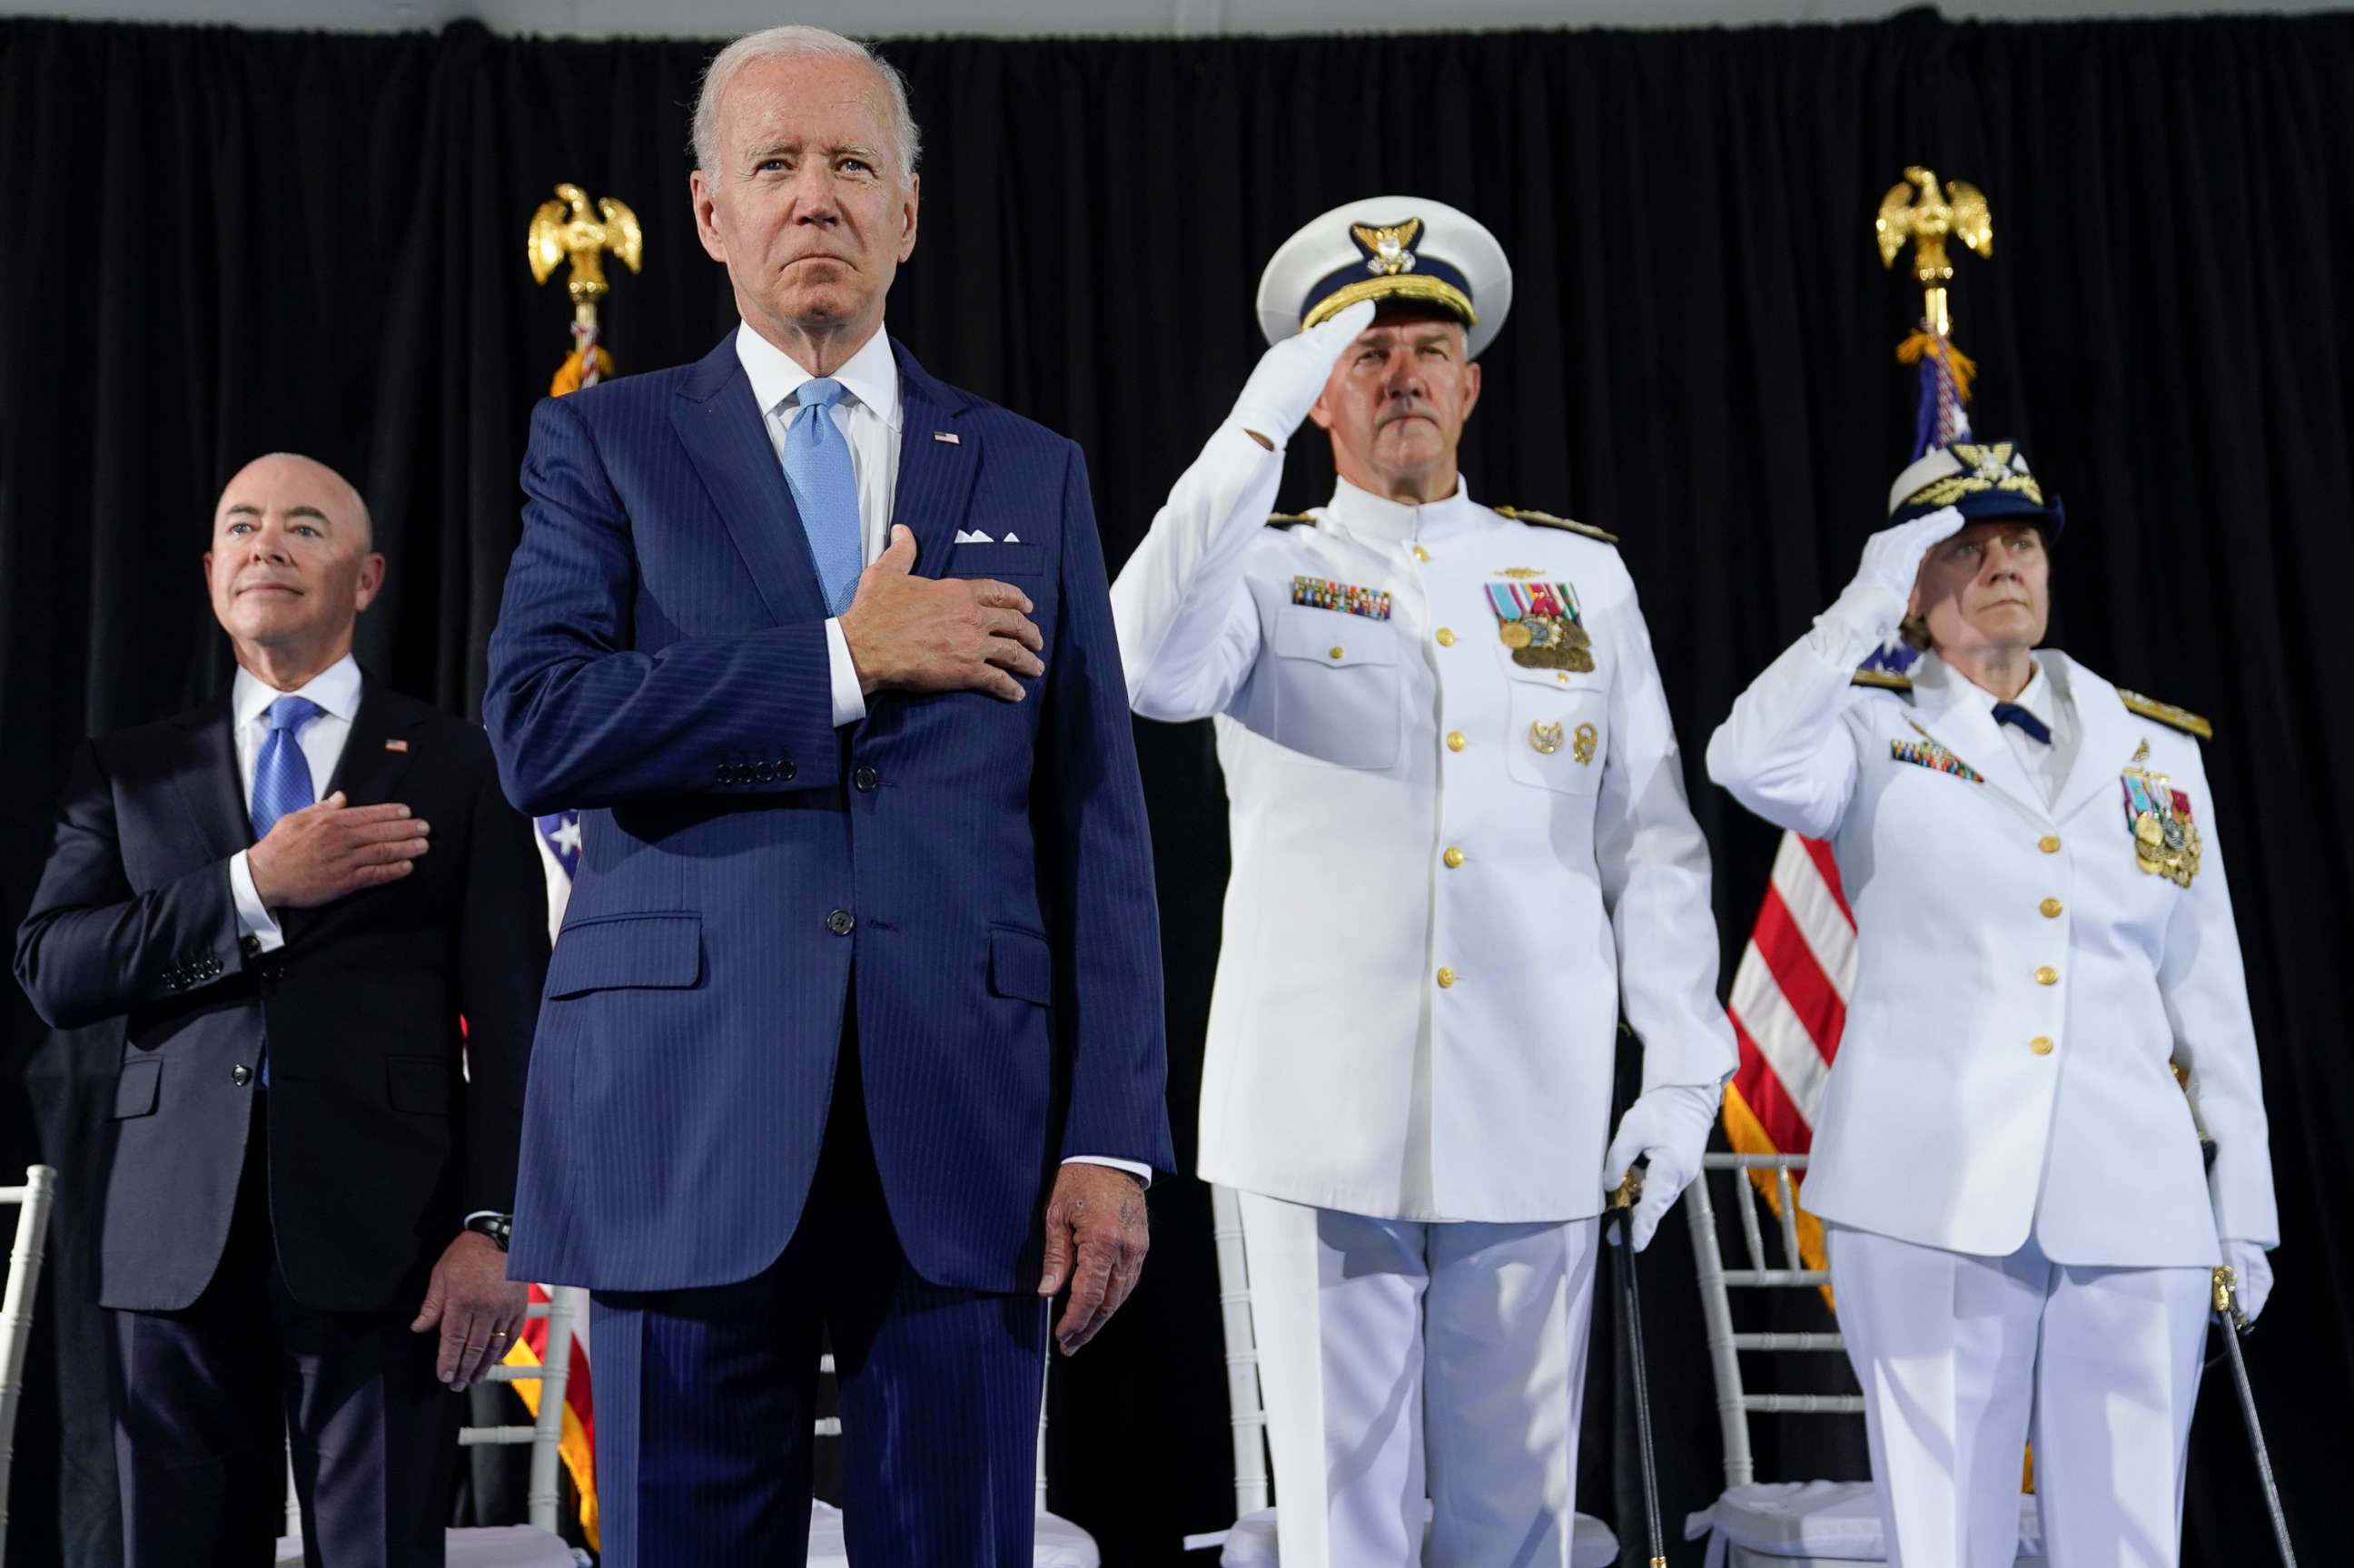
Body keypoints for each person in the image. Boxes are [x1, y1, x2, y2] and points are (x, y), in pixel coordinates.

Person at [480, 25, 1171, 1567]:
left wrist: (1110, 1139)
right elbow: (539, 725)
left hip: (964, 1129)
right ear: (712, 212)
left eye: (853, 163)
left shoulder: (1025, 469)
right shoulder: (601, 443)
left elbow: (1097, 826)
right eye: (775, 165)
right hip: (684, 1114)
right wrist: (843, 660)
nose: (816, 197)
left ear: (908, 214)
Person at [1111, 197, 1736, 1566]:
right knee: (1346, 1525)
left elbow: (1652, 842)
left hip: (1534, 1100)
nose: (1401, 372)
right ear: (1321, 386)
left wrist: (1686, 1069)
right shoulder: (1263, 568)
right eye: (1364, 347)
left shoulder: (1578, 578)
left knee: (1521, 1522)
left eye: (1428, 344)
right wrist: (1250, 432)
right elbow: (1141, 664)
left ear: (1470, 382)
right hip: (1319, 1112)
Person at [1705, 440, 2280, 1567]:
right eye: (1960, 549)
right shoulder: (1866, 729)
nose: (2000, 562)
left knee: (2126, 1543)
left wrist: (2244, 1201)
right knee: (1947, 1537)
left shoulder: (2155, 746)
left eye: (2019, 540)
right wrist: (1863, 602)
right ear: (1915, 589)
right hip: (1930, 1200)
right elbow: (1743, 757)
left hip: (2135, 1203)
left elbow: (2211, 994)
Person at [13, 453, 547, 1568]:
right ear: (213, 571)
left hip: (390, 1241)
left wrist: (496, 1227)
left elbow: (516, 1025)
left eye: (305, 526)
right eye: (244, 526)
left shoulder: (458, 762)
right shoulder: (129, 769)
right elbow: (55, 967)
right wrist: (252, 885)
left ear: (365, 577)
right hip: (174, 1246)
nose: (268, 544)